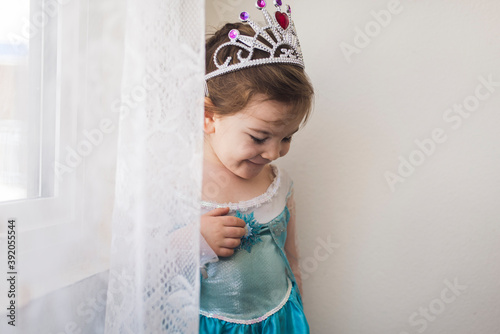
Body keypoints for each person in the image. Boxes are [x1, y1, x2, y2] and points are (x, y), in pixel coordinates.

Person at [199, 1, 314, 332]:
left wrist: (300, 314)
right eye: (260, 137)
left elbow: (290, 258)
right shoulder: (182, 183)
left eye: (286, 138)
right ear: (208, 117)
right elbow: (144, 266)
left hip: (281, 320)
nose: (275, 153)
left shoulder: (280, 183)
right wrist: (195, 240)